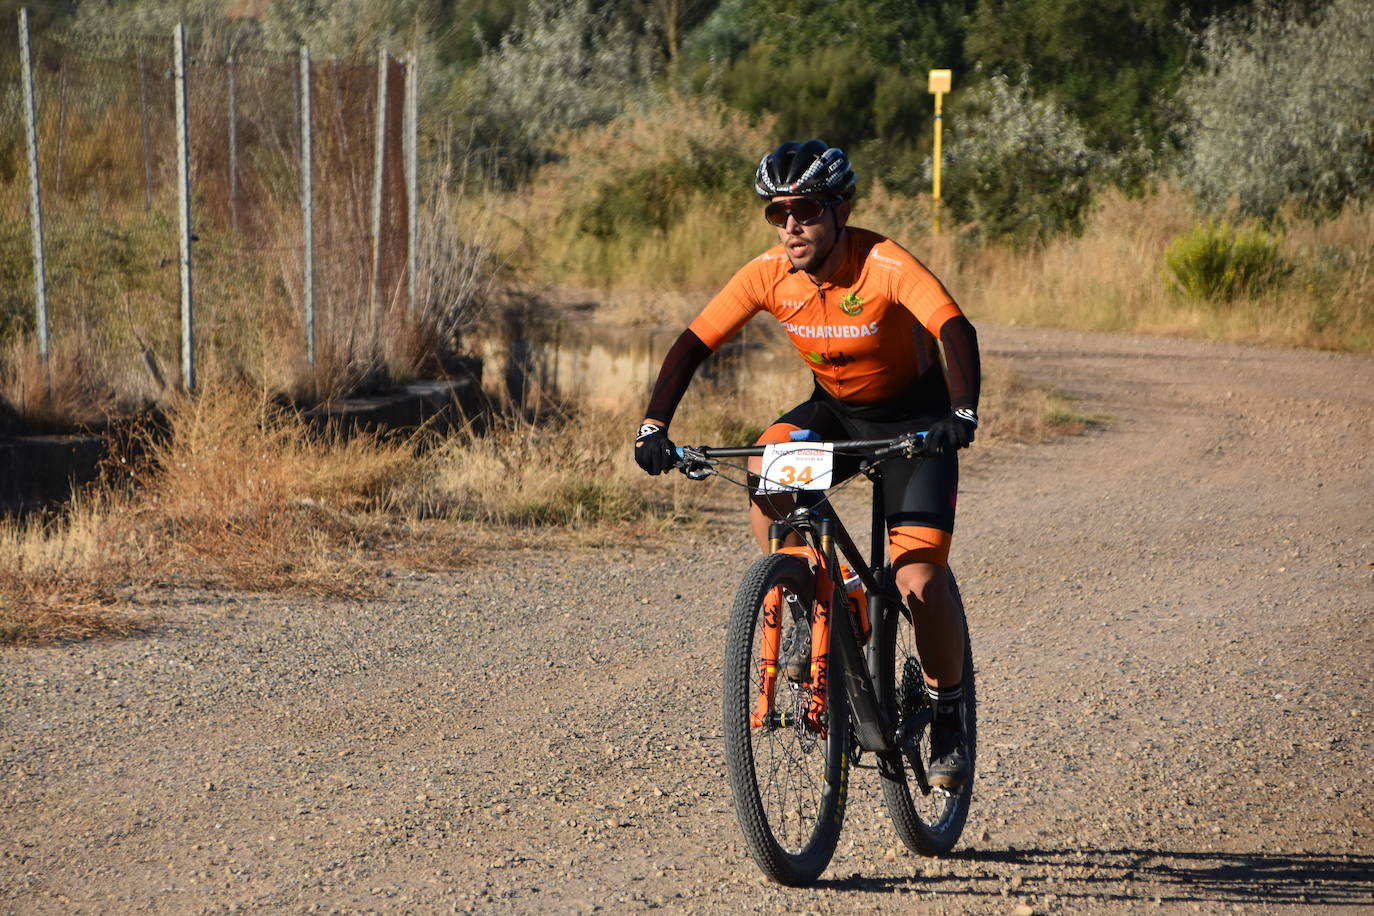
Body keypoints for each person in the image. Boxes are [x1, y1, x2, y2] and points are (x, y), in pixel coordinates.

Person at [633, 140, 980, 788]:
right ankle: (818, 593)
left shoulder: (882, 264)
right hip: (839, 415)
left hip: (914, 427)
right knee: (768, 468)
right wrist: (655, 425)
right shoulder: (770, 273)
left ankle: (947, 711)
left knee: (919, 583)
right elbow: (693, 342)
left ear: (840, 209)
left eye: (806, 208)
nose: (790, 223)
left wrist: (961, 412)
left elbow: (954, 329)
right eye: (777, 211)